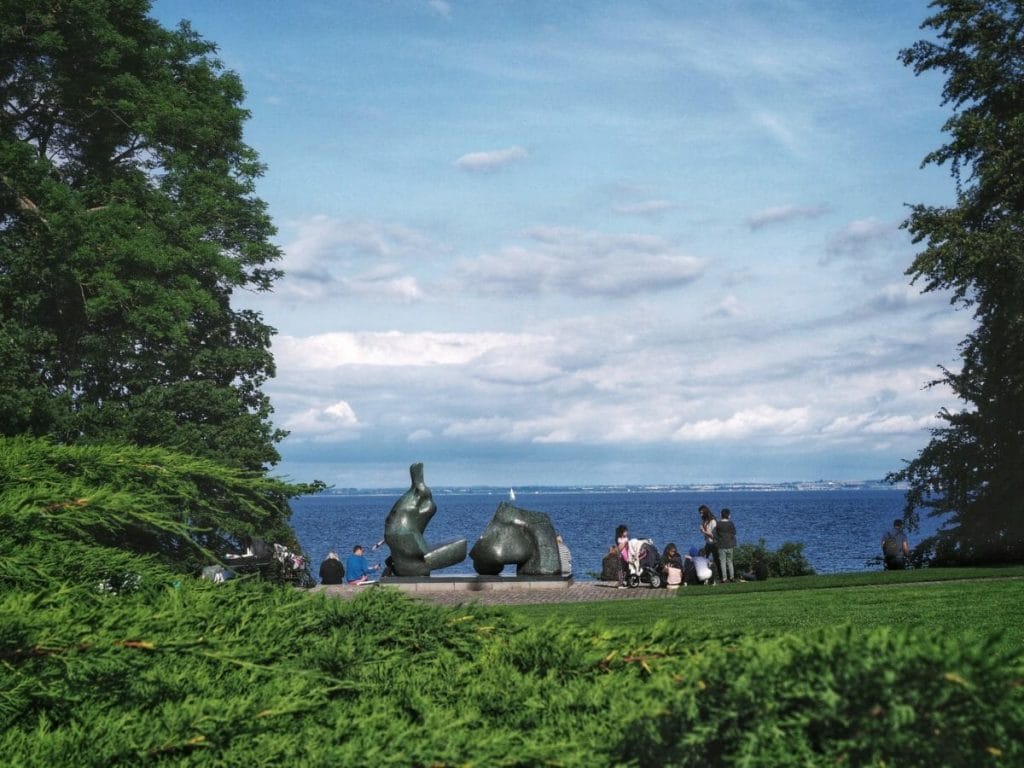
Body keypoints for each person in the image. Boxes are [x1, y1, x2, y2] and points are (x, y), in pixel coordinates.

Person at [699, 505, 720, 581]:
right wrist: (702, 529)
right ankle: (706, 577)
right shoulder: (705, 521)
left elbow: (713, 535)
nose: (701, 514)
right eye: (700, 513)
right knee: (704, 559)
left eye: (702, 512)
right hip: (708, 543)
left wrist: (704, 531)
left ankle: (719, 577)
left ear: (706, 512)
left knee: (717, 560)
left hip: (714, 543)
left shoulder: (713, 521)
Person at [716, 508, 738, 582]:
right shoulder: (730, 523)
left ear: (721, 515)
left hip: (721, 544)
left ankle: (724, 578)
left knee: (722, 562)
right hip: (730, 544)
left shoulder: (718, 524)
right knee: (730, 561)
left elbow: (716, 534)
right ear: (728, 515)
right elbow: (734, 532)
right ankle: (732, 577)